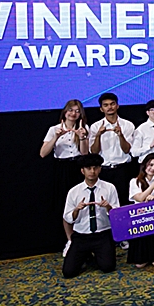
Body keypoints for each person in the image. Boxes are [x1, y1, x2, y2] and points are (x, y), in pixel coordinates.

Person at [41, 99, 89, 256]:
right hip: (62, 169)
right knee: (67, 206)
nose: (73, 113)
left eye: (77, 111)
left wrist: (82, 137)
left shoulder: (83, 128)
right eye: (70, 110)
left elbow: (85, 153)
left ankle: (84, 240)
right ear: (65, 111)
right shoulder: (54, 129)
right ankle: (70, 240)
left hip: (79, 167)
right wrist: (56, 137)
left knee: (82, 203)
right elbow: (43, 153)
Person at [61, 153, 119, 278]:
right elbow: (67, 217)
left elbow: (117, 215)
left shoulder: (109, 188)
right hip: (82, 236)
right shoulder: (74, 191)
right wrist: (77, 210)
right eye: (89, 168)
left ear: (100, 169)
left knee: (108, 267)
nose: (92, 171)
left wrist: (108, 207)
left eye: (95, 168)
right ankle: (85, 255)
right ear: (82, 171)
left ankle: (95, 255)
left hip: (102, 234)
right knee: (68, 272)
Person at [88, 92, 135, 206]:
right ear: (101, 109)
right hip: (104, 170)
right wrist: (98, 135)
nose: (109, 107)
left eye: (112, 104)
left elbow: (127, 150)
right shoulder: (95, 126)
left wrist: (120, 135)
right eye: (106, 105)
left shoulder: (128, 125)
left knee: (124, 202)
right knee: (105, 203)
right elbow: (94, 152)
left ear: (117, 106)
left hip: (123, 170)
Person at [127, 153, 154, 268]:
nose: (153, 168)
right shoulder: (135, 181)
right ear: (144, 165)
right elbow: (140, 198)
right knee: (140, 265)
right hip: (142, 221)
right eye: (150, 165)